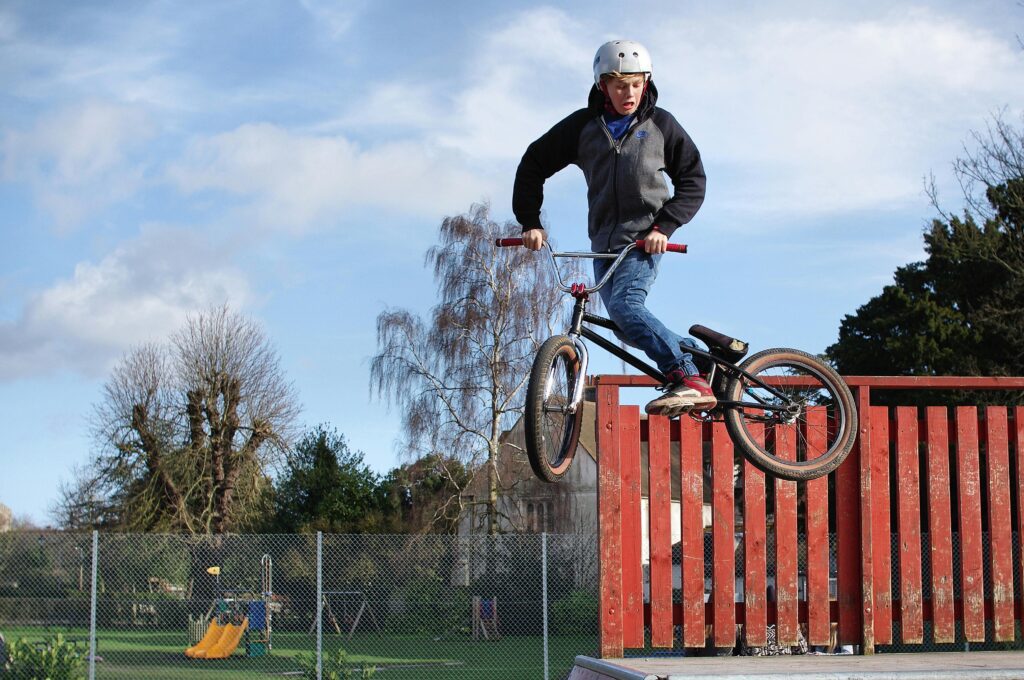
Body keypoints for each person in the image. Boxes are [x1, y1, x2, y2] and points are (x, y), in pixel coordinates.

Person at [513, 39, 713, 415]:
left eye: (637, 84)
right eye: (621, 85)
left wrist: (663, 228)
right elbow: (533, 163)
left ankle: (687, 374)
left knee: (625, 307)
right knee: (627, 325)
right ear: (602, 84)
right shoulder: (583, 128)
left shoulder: (661, 125)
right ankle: (702, 359)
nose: (630, 93)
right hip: (604, 245)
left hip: (642, 243)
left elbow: (693, 180)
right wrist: (530, 221)